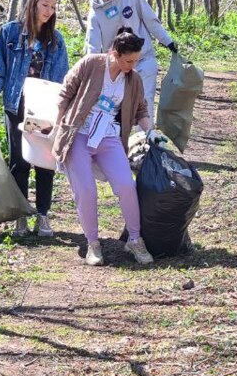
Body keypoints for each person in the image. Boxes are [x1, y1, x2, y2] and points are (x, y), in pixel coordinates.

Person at [52, 28, 159, 267]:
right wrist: (58, 128)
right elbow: (65, 93)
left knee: (126, 185)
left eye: (136, 60)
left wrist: (149, 131)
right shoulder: (91, 64)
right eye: (128, 60)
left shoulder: (133, 79)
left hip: (108, 136)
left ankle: (134, 239)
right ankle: (93, 243)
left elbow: (141, 109)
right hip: (78, 134)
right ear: (114, 53)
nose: (132, 65)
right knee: (86, 190)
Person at [0, 0, 70, 236]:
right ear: (33, 3)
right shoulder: (10, 32)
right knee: (19, 161)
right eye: (45, 5)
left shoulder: (56, 40)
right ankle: (21, 215)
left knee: (44, 161)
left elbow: (62, 79)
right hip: (15, 104)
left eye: (53, 7)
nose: (49, 11)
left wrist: (62, 110)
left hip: (44, 108)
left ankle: (42, 216)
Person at [84, 0, 177, 116]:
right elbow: (92, 44)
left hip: (144, 57)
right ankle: (118, 138)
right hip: (118, 64)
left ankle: (146, 137)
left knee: (145, 100)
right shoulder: (95, 13)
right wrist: (91, 68)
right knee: (118, 108)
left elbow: (150, 20)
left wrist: (168, 42)